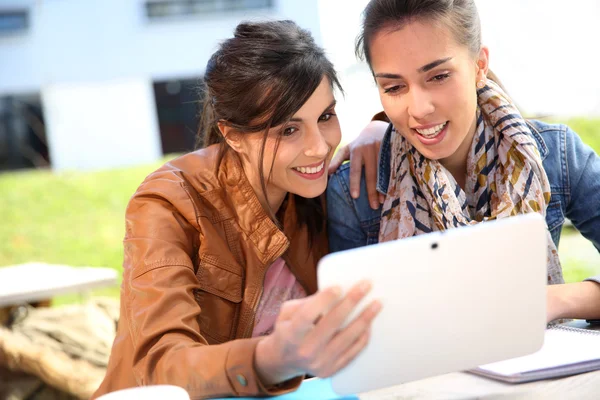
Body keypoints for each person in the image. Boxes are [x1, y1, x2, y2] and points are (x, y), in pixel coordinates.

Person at [93, 20, 382, 400]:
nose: (319, 147)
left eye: (325, 117)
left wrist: (383, 128)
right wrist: (270, 359)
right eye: (289, 130)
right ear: (232, 135)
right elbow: (162, 367)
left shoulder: (313, 192)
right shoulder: (168, 203)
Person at [326, 0, 600, 323]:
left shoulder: (556, 155)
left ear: (479, 65)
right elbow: (346, 337)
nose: (418, 108)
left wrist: (553, 301)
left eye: (438, 76)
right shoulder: (354, 193)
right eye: (394, 86)